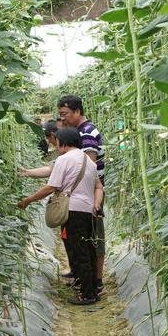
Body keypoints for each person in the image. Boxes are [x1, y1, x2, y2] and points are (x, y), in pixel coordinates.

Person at [17, 128, 104, 305]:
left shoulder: (64, 160)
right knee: (87, 249)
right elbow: (98, 187)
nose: (56, 147)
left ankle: (87, 295)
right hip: (87, 211)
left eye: (57, 143)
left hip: (72, 211)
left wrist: (28, 200)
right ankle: (91, 288)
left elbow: (51, 187)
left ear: (63, 143)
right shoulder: (89, 162)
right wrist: (96, 205)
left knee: (78, 252)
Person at [57, 96, 106, 294]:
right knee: (84, 240)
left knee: (93, 239)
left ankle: (96, 282)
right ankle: (85, 277)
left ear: (77, 111)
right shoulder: (82, 132)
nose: (63, 118)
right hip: (89, 194)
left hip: (91, 195)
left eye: (65, 114)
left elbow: (86, 166)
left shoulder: (87, 133)